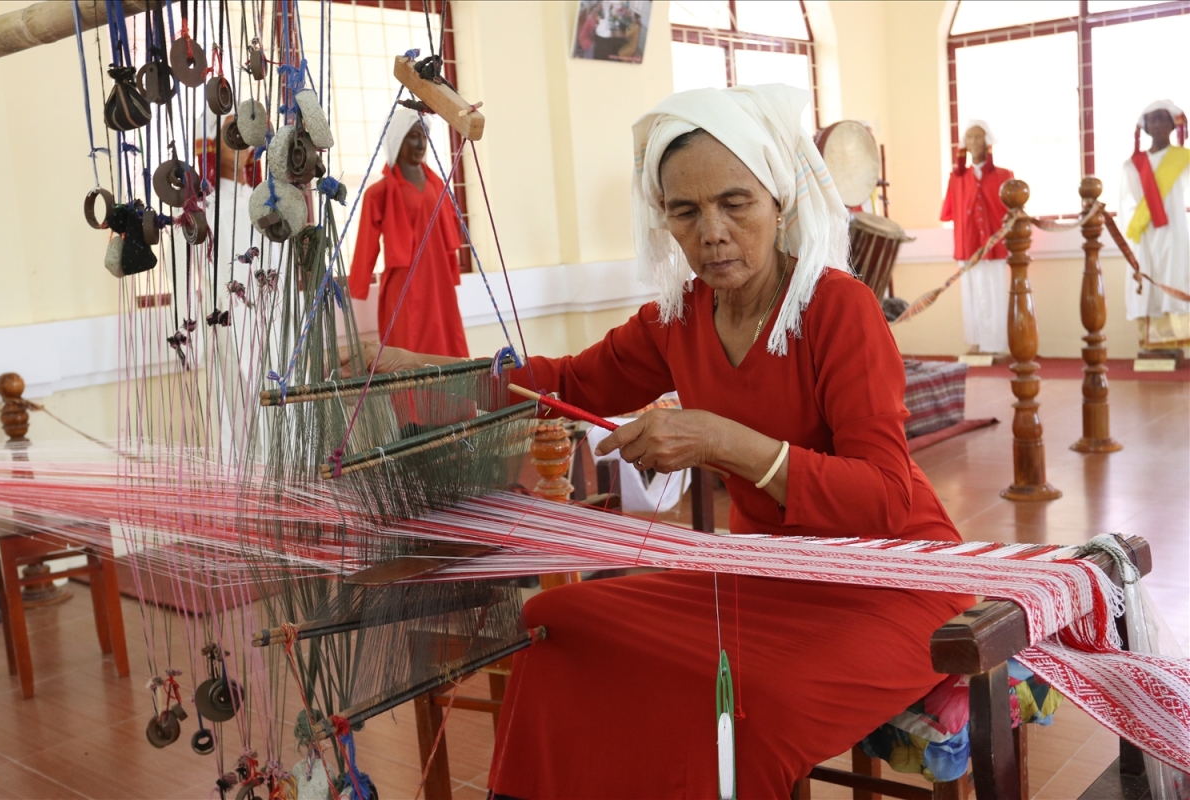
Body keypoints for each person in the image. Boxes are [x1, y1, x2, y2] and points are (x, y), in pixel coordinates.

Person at [344, 84, 972, 796]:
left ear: (779, 202)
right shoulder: (678, 319)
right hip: (772, 575)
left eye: (736, 202)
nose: (712, 231)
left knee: (749, 707)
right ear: (665, 221)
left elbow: (885, 502)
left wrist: (722, 441)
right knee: (554, 622)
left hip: (895, 579)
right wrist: (415, 371)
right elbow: (560, 384)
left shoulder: (838, 309)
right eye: (686, 210)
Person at [349, 111, 469, 357]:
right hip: (405, 284)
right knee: (407, 348)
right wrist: (357, 286)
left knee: (446, 345)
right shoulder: (378, 193)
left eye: (424, 135)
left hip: (439, 283)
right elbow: (365, 244)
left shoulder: (440, 186)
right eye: (413, 136)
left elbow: (450, 233)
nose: (421, 144)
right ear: (397, 139)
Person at [1120, 99, 1189, 353]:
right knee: (1147, 280)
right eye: (1152, 119)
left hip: (1174, 230)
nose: (1157, 124)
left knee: (1173, 276)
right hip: (1145, 232)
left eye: (1162, 118)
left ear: (1173, 124)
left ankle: (1175, 341)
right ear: (1145, 127)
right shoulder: (1132, 165)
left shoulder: (1184, 158)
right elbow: (1126, 204)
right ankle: (1151, 344)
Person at [940, 120, 1013, 355]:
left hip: (995, 246)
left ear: (987, 141)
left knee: (995, 292)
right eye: (969, 138)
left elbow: (1012, 212)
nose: (973, 142)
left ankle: (996, 344)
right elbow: (950, 212)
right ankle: (976, 341)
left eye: (978, 137)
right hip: (968, 245)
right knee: (971, 294)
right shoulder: (957, 178)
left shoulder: (1004, 175)